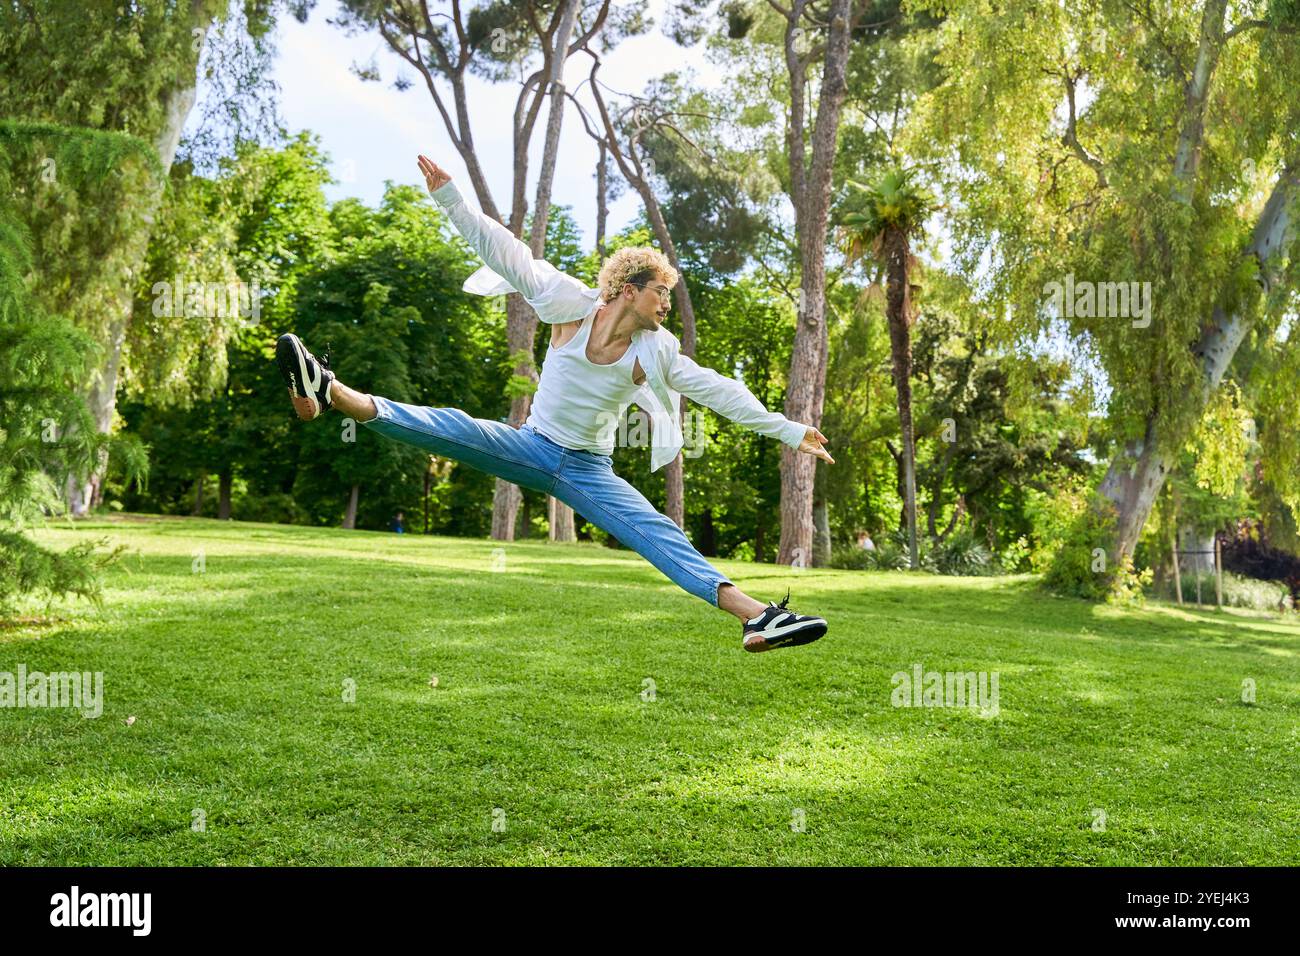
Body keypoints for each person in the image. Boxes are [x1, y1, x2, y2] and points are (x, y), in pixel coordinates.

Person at [273, 153, 832, 652]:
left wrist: (787, 429)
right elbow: (504, 250)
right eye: (662, 292)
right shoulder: (568, 303)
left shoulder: (655, 351)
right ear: (628, 290)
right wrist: (450, 198)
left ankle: (761, 618)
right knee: (451, 427)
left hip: (589, 470)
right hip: (533, 447)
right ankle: (330, 391)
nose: (668, 303)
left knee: (659, 533)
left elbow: (718, 389)